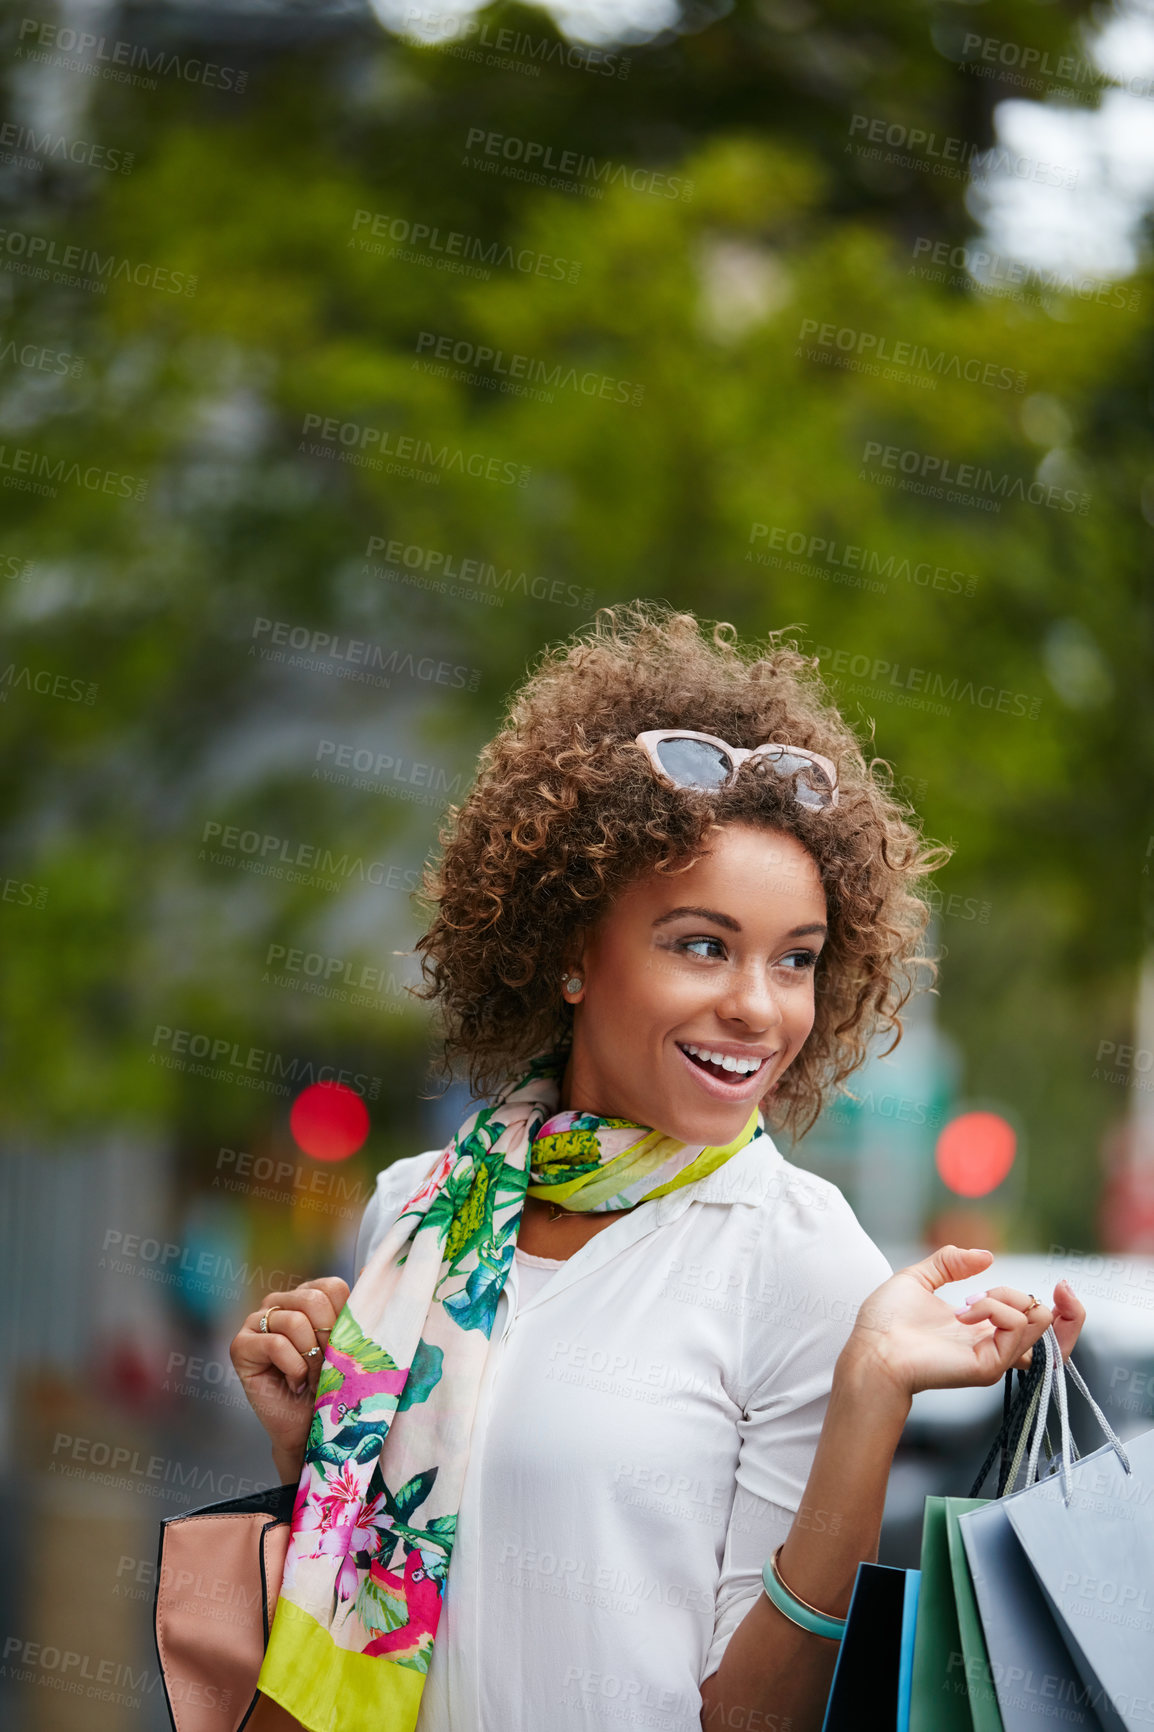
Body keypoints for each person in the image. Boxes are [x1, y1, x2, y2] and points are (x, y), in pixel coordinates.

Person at [230, 602, 1084, 1732]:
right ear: (573, 949)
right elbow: (369, 1612)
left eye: (795, 960)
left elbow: (755, 1718)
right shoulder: (419, 1208)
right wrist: (314, 1443)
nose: (756, 1006)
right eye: (701, 944)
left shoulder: (794, 1251)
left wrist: (867, 1392)